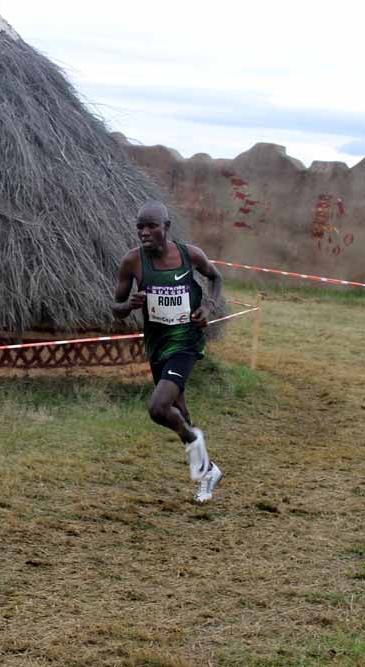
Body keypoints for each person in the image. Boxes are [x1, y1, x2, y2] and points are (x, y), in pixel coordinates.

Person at [112, 201, 225, 503]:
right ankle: (208, 471)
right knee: (181, 413)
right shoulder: (132, 262)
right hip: (157, 345)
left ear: (166, 227)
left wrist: (208, 307)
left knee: (158, 408)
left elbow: (215, 278)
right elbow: (116, 308)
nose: (145, 232)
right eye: (140, 227)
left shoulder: (190, 255)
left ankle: (203, 461)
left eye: (151, 226)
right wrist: (129, 306)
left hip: (185, 342)